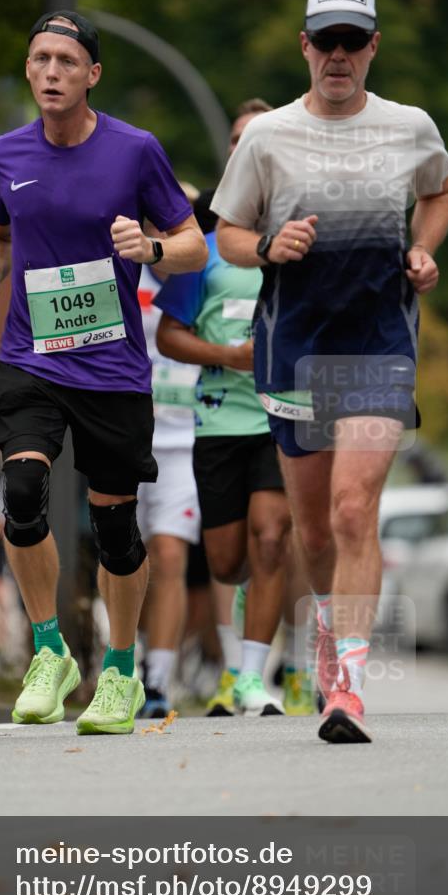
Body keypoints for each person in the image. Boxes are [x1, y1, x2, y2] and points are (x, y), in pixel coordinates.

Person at [213, 0, 448, 743]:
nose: (339, 55)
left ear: (373, 46)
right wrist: (264, 247)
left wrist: (421, 248)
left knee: (355, 511)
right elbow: (225, 233)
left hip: (377, 344)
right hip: (296, 349)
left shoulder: (409, 126)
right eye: (327, 40)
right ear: (305, 47)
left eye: (353, 40)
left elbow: (440, 192)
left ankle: (345, 685)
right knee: (312, 533)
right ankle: (326, 632)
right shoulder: (267, 137)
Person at [0, 10, 207, 735]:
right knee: (23, 489)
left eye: (65, 61)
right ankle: (49, 652)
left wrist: (152, 250)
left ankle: (121, 671)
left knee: (114, 530)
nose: (49, 72)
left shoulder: (135, 151)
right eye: (39, 58)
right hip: (29, 357)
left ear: (92, 74)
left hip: (111, 367)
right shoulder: (7, 152)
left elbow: (195, 243)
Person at [157, 99, 305, 718]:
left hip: (284, 416)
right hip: (218, 418)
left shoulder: (303, 236)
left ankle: (251, 678)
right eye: (239, 139)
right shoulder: (207, 246)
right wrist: (229, 353)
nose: (249, 147)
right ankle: (243, 653)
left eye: (260, 138)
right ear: (230, 156)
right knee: (226, 558)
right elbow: (168, 335)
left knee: (272, 539)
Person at [136, 254, 201, 717]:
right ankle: (130, 657)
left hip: (185, 440)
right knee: (125, 561)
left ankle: (158, 680)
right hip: (126, 437)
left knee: (171, 554)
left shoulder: (206, 274)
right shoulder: (122, 272)